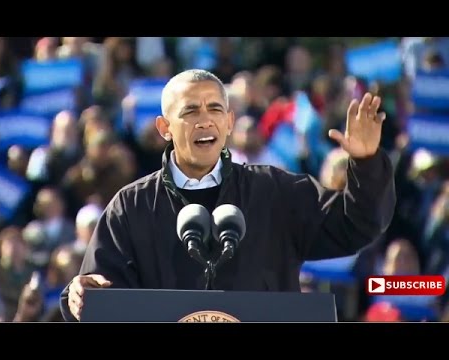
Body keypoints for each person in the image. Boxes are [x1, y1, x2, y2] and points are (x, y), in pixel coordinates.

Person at [59, 69, 396, 321]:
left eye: (215, 109)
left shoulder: (275, 192)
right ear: (165, 128)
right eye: (191, 111)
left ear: (230, 121)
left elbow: (356, 225)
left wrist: (366, 163)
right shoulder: (131, 208)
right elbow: (98, 298)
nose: (205, 121)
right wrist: (78, 295)